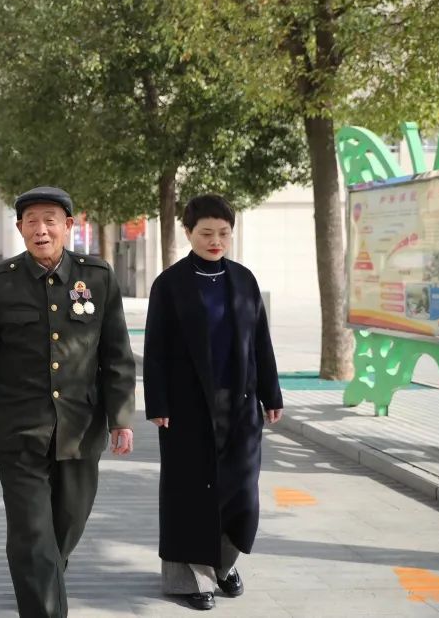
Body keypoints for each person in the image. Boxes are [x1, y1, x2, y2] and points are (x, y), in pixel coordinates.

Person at [0, 186, 136, 618]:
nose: (41, 230)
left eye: (50, 221)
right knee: (31, 535)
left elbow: (116, 354)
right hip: (18, 428)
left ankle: (44, 581)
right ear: (20, 228)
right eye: (32, 222)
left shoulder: (97, 277)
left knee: (67, 525)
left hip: (80, 428)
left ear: (68, 226)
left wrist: (120, 417)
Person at [143, 194, 283, 611]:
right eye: (206, 233)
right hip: (187, 409)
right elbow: (156, 349)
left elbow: (260, 342)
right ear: (188, 233)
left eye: (223, 233)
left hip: (240, 407)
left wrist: (271, 394)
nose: (215, 240)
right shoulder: (170, 284)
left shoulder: (244, 280)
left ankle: (223, 563)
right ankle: (193, 578)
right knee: (191, 495)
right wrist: (158, 404)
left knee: (241, 494)